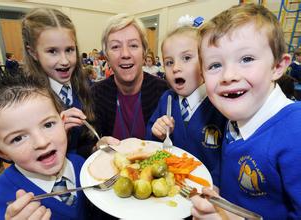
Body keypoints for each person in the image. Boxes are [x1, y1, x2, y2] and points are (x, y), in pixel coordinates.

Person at [190, 4, 301, 219]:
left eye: (246, 59)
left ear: (278, 66)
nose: (228, 75)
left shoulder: (296, 132)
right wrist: (221, 203)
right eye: (214, 65)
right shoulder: (234, 121)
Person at [0, 74, 86, 220]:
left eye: (48, 124)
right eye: (18, 138)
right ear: (0, 152)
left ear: (63, 122)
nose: (41, 142)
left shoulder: (80, 164)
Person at [146, 25, 226, 185]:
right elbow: (150, 140)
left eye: (187, 58)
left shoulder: (221, 104)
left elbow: (227, 156)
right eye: (169, 62)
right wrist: (156, 132)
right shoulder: (167, 99)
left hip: (206, 192)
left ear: (205, 61)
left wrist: (216, 185)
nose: (176, 68)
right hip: (169, 189)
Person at [21, 8, 97, 158]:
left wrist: (95, 148)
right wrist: (54, 132)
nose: (64, 61)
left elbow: (83, 143)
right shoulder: (26, 101)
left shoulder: (83, 85)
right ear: (33, 53)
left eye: (69, 50)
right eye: (52, 51)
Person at [92, 13, 169, 140]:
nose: (125, 54)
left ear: (144, 52)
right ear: (106, 56)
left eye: (133, 45)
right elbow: (86, 145)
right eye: (115, 47)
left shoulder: (163, 92)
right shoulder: (96, 95)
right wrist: (96, 147)